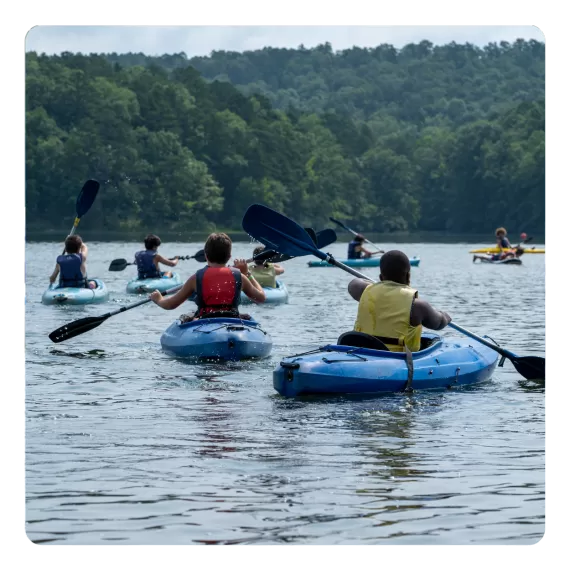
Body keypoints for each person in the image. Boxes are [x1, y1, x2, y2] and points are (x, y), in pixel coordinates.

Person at [347, 250, 452, 353]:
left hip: (361, 351)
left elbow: (354, 283)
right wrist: (445, 317)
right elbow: (438, 324)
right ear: (408, 276)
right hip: (397, 358)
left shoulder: (363, 291)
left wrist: (379, 286)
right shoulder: (417, 306)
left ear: (380, 277)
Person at [149, 232, 266, 321]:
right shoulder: (240, 277)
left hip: (205, 321)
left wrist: (158, 299)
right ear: (229, 256)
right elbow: (261, 298)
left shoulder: (196, 278)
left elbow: (170, 304)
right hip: (232, 320)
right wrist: (247, 274)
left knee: (186, 317)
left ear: (205, 255)